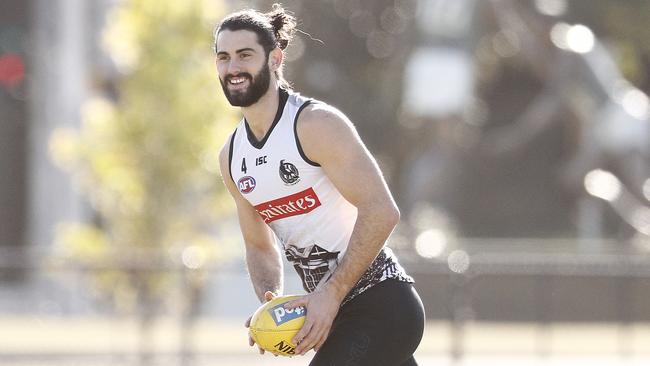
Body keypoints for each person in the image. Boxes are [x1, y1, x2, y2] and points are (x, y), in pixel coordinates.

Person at [214, 4, 424, 365]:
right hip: (336, 315)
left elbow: (382, 211)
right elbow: (259, 245)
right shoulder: (232, 157)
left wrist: (329, 296)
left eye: (245, 55)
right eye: (223, 57)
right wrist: (273, 305)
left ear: (275, 58)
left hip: (383, 305)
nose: (233, 68)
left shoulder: (314, 125)